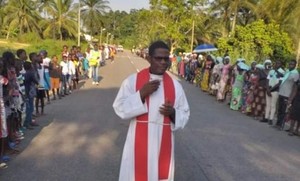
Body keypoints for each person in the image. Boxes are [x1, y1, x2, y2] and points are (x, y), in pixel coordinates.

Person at [113, 40, 190, 181]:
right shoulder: (132, 81)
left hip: (163, 143)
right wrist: (141, 94)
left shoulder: (176, 86)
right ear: (149, 58)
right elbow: (119, 107)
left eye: (166, 59)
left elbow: (185, 113)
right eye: (158, 58)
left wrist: (172, 113)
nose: (162, 62)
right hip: (138, 142)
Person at [275, 60, 299, 129]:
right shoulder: (287, 71)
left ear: (295, 65)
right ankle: (277, 123)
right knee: (279, 109)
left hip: (287, 94)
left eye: (292, 64)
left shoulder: (296, 73)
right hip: (281, 92)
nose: (290, 65)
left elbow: (295, 87)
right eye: (290, 64)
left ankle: (280, 125)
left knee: (283, 110)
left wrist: (291, 98)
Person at [264, 60, 285, 125]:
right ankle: (266, 117)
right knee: (268, 104)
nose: (277, 64)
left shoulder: (282, 72)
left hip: (275, 90)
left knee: (273, 105)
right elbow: (267, 79)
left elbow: (279, 83)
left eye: (279, 63)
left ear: (281, 65)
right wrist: (267, 89)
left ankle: (271, 119)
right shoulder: (271, 71)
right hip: (268, 89)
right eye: (276, 63)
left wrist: (270, 90)